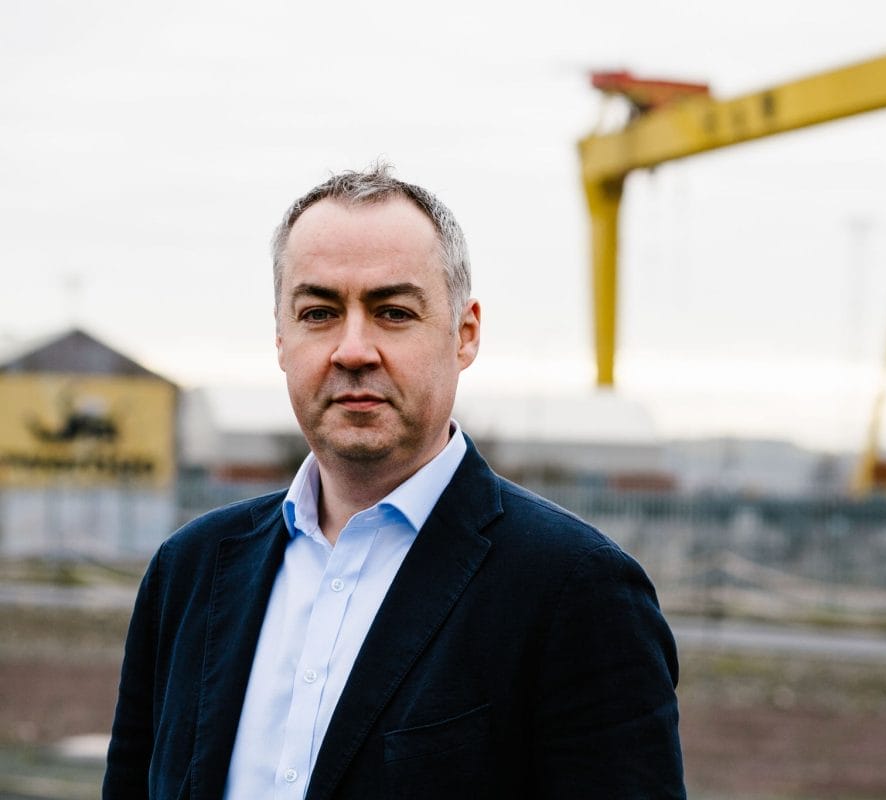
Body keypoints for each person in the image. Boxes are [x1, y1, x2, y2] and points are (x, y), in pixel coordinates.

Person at [103, 164, 686, 799]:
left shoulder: (576, 590)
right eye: (319, 312)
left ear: (465, 335)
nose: (353, 350)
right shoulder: (189, 571)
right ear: (281, 338)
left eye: (393, 312)